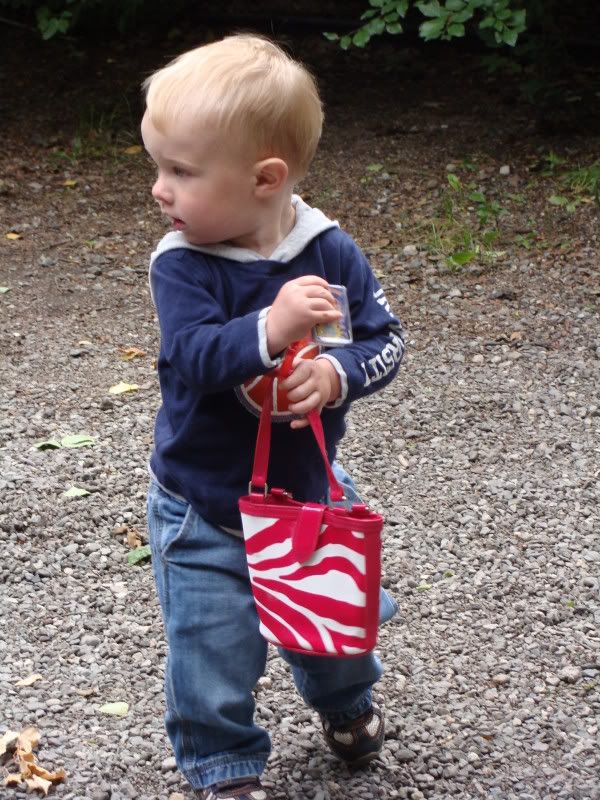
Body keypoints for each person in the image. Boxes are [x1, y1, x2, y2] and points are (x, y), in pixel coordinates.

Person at [142, 34, 405, 800]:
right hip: (205, 503)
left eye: (181, 171)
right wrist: (272, 328)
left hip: (306, 494)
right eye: (159, 166)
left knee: (331, 626)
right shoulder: (183, 261)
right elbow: (192, 355)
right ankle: (223, 766)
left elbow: (386, 342)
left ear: (266, 179)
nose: (160, 188)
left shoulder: (326, 251)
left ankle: (347, 701)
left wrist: (333, 372)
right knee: (211, 648)